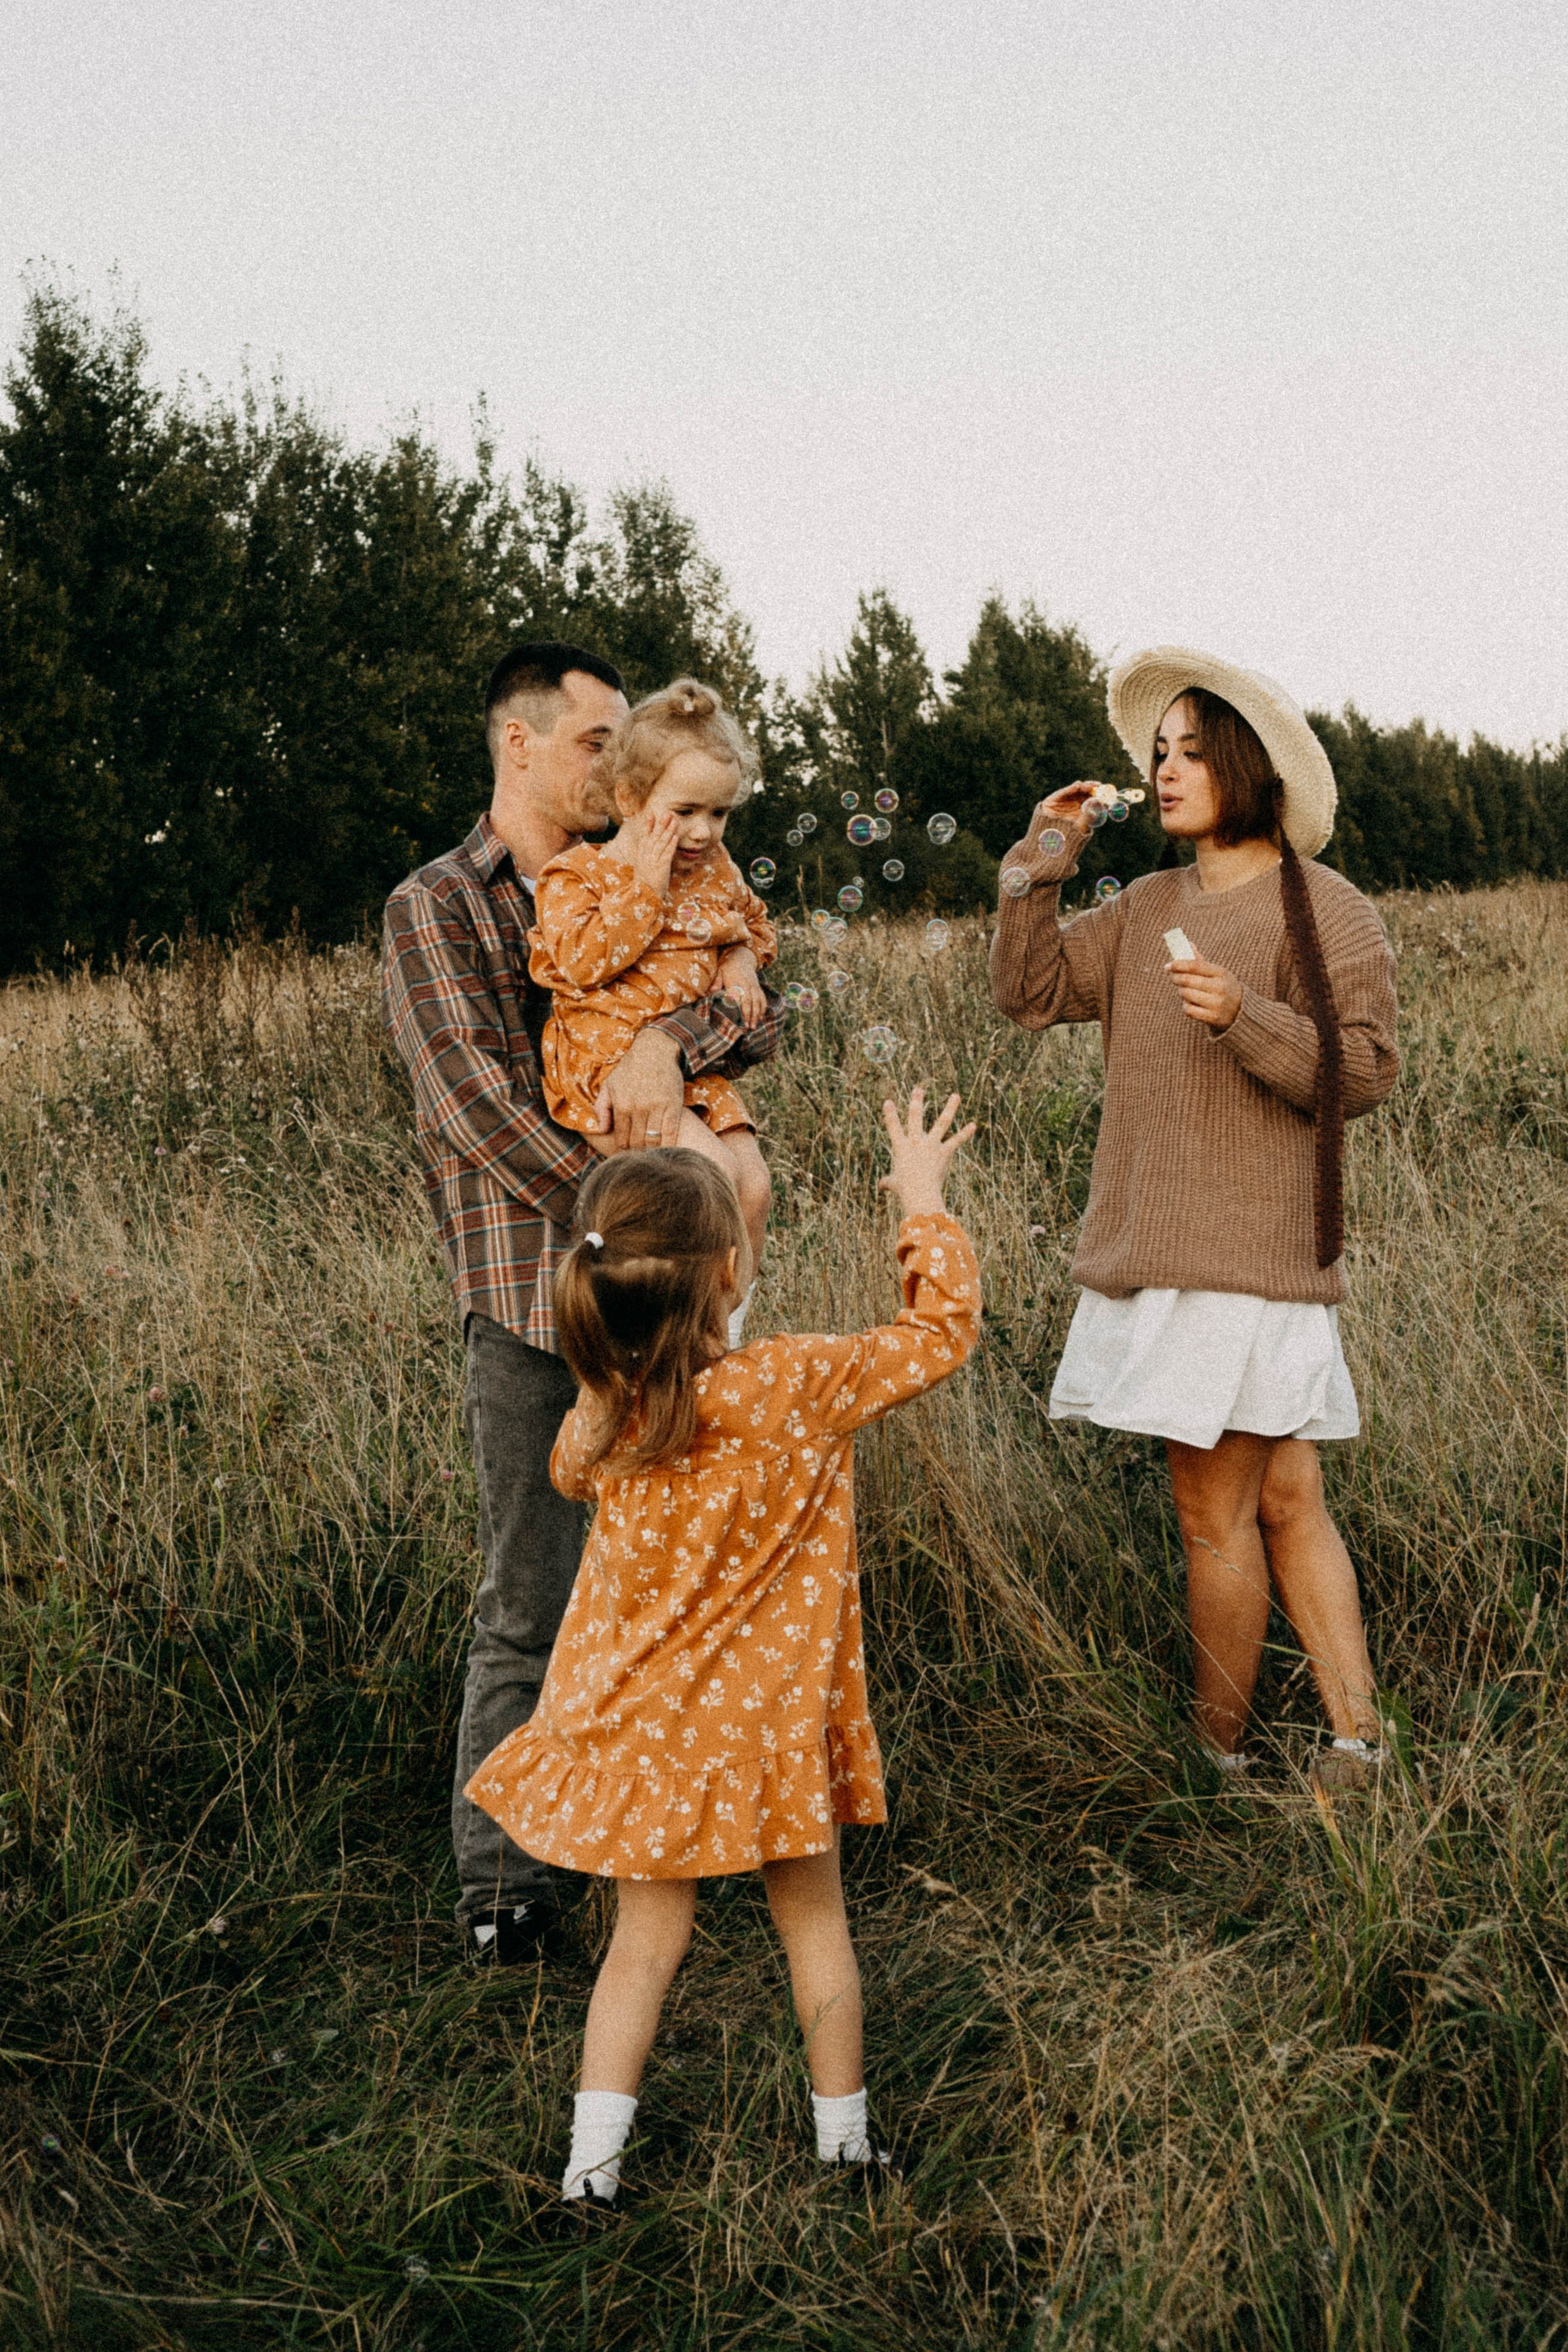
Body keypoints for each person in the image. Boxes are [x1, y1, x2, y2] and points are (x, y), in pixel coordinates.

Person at [464, 1088, 981, 2206]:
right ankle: (847, 2151)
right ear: (732, 1274)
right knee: (816, 1925)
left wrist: (616, 1372)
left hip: (653, 1737)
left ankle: (587, 2177)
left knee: (642, 1947)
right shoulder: (792, 1386)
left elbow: (564, 1472)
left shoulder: (609, 1415)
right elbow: (942, 1333)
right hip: (774, 1730)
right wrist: (923, 1200)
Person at [382, 643, 783, 1965]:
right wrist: (642, 1217)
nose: (614, 770)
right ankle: (504, 1895)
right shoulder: (439, 906)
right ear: (518, 743)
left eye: (626, 748)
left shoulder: (657, 870)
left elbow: (751, 1014)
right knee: (531, 1598)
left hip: (666, 1309)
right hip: (531, 1301)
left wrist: (675, 1043)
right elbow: (479, 1113)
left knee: (668, 1580)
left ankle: (650, 1850)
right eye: (591, 743)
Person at [989, 647, 1399, 1794]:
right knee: (1282, 1495)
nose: (1164, 773)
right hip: (1160, 1251)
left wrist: (1245, 1018)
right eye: (1155, 754)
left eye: (1189, 752)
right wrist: (1046, 858)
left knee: (1218, 1516)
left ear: (1249, 766)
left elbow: (1365, 1072)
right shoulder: (1142, 909)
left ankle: (1212, 1761)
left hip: (1250, 1259)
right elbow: (1027, 995)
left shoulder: (1329, 910)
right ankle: (1355, 1748)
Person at [530, 679, 775, 1325]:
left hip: (694, 1073)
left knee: (754, 1189)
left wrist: (741, 957)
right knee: (712, 1182)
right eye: (686, 809)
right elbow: (582, 962)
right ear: (632, 799)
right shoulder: (576, 875)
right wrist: (647, 884)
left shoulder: (716, 870)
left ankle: (724, 1333)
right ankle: (689, 1337)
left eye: (719, 814)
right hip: (608, 1069)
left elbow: (753, 924)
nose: (703, 832)